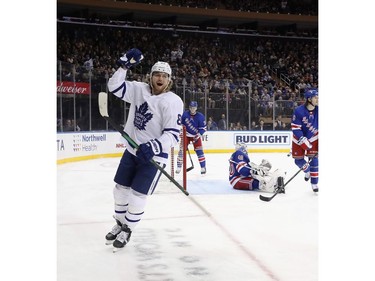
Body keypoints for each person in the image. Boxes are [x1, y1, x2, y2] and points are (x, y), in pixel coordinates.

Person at [105, 48, 184, 251]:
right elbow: (113, 86)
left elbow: (173, 135)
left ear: (169, 80)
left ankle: (128, 230)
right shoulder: (139, 89)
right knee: (119, 190)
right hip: (132, 151)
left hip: (154, 157)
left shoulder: (173, 101)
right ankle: (120, 224)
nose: (160, 78)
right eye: (157, 74)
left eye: (164, 76)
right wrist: (123, 67)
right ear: (150, 77)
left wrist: (153, 146)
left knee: (137, 196)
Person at [291, 88, 318, 192]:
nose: (318, 99)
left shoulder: (319, 110)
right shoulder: (299, 111)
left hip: (314, 137)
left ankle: (315, 184)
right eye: (315, 97)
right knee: (298, 160)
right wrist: (302, 139)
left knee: (314, 160)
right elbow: (295, 128)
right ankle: (307, 171)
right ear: (309, 99)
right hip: (299, 138)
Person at [176, 101, 207, 174]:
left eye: (194, 108)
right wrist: (181, 132)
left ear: (196, 108)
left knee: (199, 151)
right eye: (191, 107)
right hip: (186, 135)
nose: (192, 109)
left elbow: (203, 128)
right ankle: (179, 167)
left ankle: (203, 167)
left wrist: (199, 135)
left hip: (195, 136)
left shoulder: (200, 116)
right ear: (189, 108)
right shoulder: (184, 114)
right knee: (181, 151)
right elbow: (180, 124)